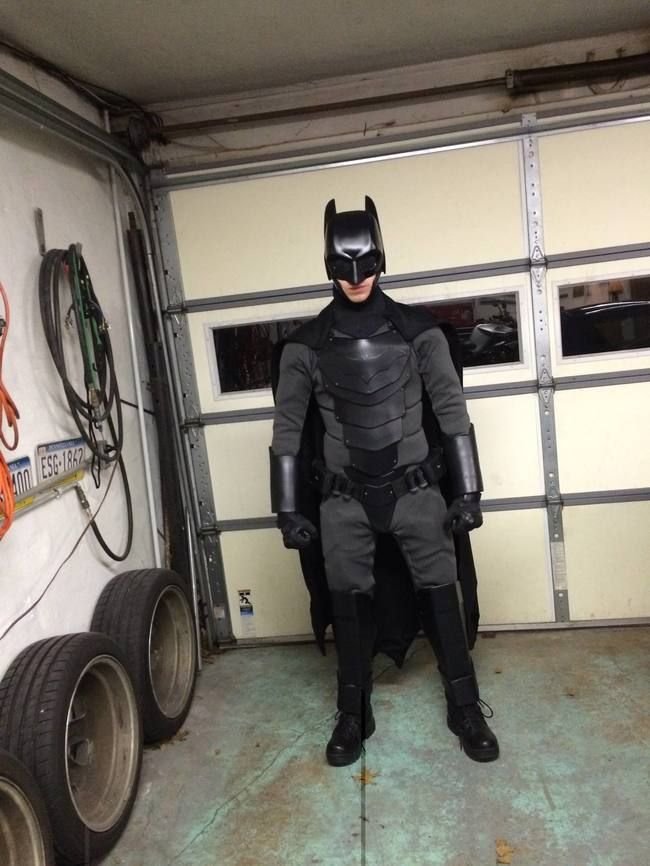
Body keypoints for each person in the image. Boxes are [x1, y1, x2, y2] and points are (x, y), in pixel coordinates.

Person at [269, 197, 499, 767]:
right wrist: (287, 509)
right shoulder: (305, 347)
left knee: (441, 590)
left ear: (381, 258)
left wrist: (469, 491)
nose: (356, 278)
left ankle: (465, 706)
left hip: (416, 491)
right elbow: (289, 429)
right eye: (344, 266)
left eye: (366, 264)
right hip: (343, 499)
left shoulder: (420, 333)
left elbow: (451, 410)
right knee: (347, 598)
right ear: (328, 263)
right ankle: (353, 711)